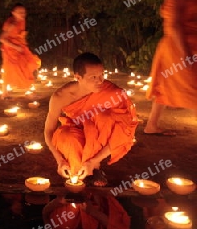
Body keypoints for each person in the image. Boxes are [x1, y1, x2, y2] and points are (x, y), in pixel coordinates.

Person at [44, 53, 138, 185]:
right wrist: (59, 160)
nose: (100, 81)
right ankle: (81, 169)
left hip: (99, 133)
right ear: (78, 77)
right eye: (93, 77)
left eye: (102, 75)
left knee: (104, 117)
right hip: (76, 129)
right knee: (66, 136)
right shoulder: (60, 97)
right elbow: (49, 130)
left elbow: (125, 130)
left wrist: (94, 160)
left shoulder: (113, 94)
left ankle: (94, 167)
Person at [144, 0, 197, 135]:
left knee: (165, 86)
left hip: (188, 45)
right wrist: (185, 54)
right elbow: (174, 25)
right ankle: (151, 125)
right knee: (191, 85)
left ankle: (151, 125)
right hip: (178, 47)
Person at [0, 4, 41, 99]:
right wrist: (16, 47)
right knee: (9, 70)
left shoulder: (22, 21)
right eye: (20, 12)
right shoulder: (11, 24)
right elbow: (2, 39)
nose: (23, 14)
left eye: (24, 12)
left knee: (29, 65)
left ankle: (28, 91)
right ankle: (5, 94)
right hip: (10, 50)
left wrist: (21, 43)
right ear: (13, 13)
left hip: (20, 47)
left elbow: (19, 35)